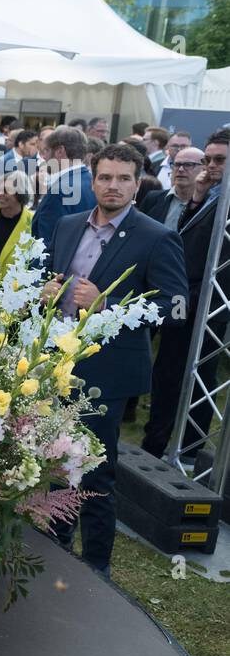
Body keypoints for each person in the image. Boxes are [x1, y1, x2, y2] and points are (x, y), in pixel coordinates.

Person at [41, 145, 186, 576]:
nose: (114, 186)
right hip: (56, 363)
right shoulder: (68, 225)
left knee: (95, 471)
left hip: (108, 371)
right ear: (92, 179)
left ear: (137, 183)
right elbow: (54, 277)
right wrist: (45, 294)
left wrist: (108, 303)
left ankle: (96, 567)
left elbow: (175, 304)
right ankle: (56, 545)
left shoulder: (156, 236)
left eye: (124, 178)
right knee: (55, 462)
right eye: (105, 177)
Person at [141, 132, 229, 462]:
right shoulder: (207, 196)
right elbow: (184, 236)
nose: (211, 166)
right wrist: (197, 198)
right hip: (181, 298)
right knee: (167, 373)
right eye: (208, 159)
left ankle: (189, 452)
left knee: (201, 380)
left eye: (219, 160)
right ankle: (155, 444)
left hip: (211, 305)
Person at [32, 126, 96, 242]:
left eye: (46, 151)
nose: (44, 157)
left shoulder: (60, 191)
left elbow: (48, 244)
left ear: (60, 151)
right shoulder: (93, 181)